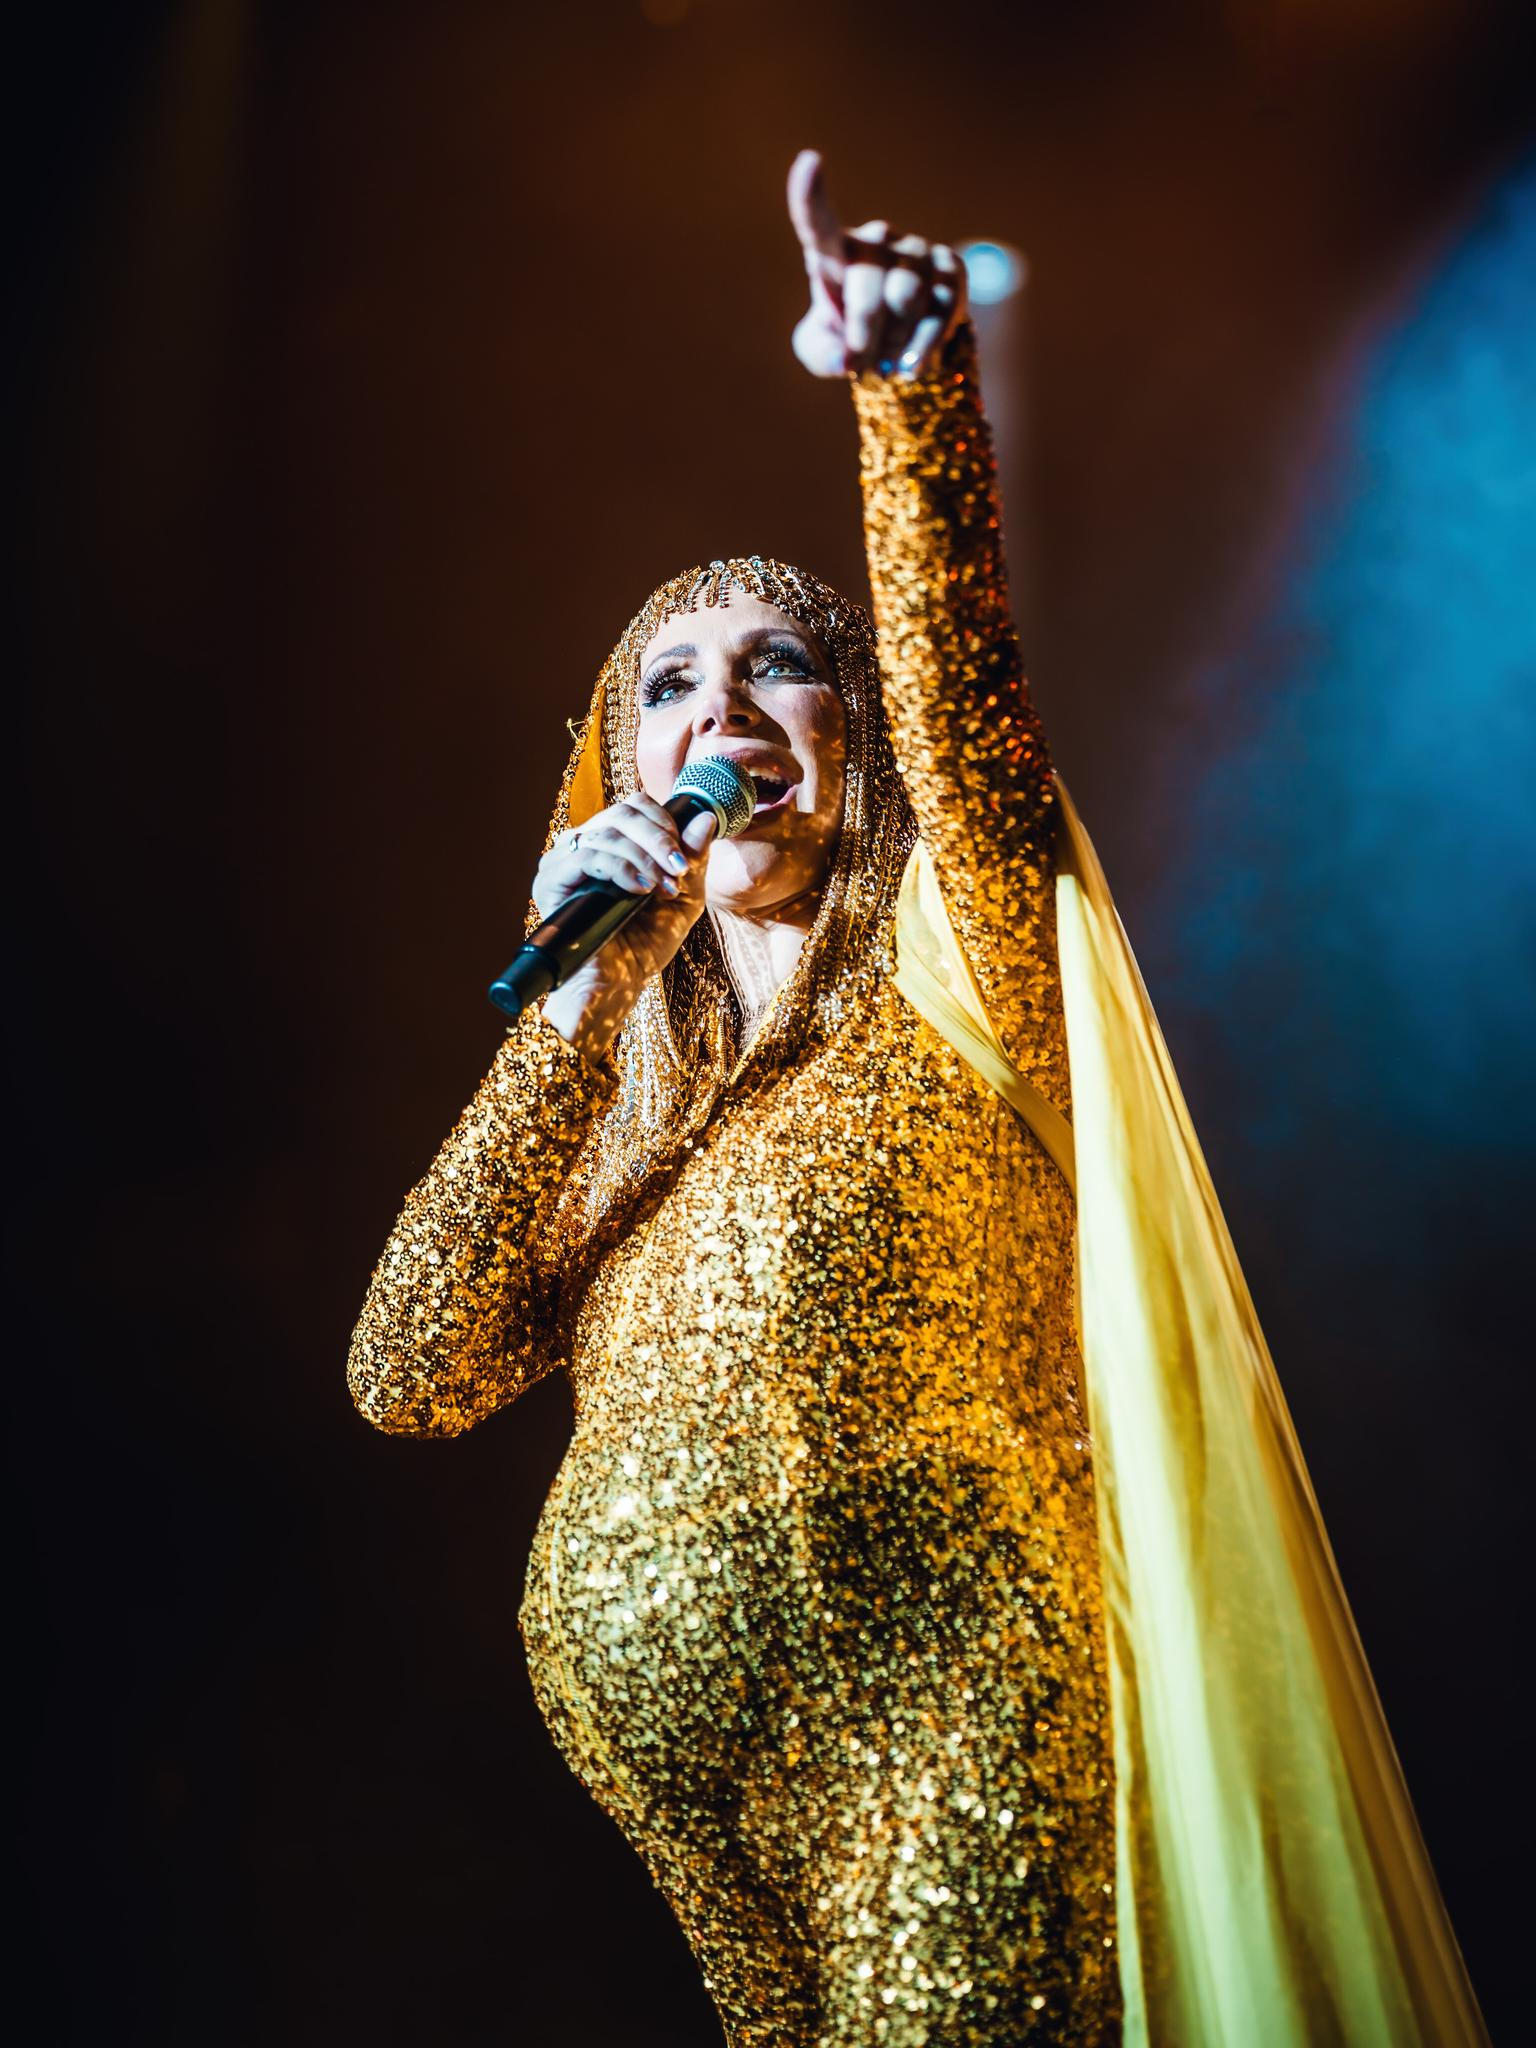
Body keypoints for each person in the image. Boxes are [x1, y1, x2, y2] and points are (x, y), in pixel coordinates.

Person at [348, 154, 1487, 2047]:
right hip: (712, 1842)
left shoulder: (969, 977)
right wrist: (576, 1013)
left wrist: (910, 395)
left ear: (854, 740)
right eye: (668, 685)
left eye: (781, 667)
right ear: (614, 768)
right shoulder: (626, 1102)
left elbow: (966, 692)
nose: (721, 711)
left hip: (952, 1732)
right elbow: (407, 1373)